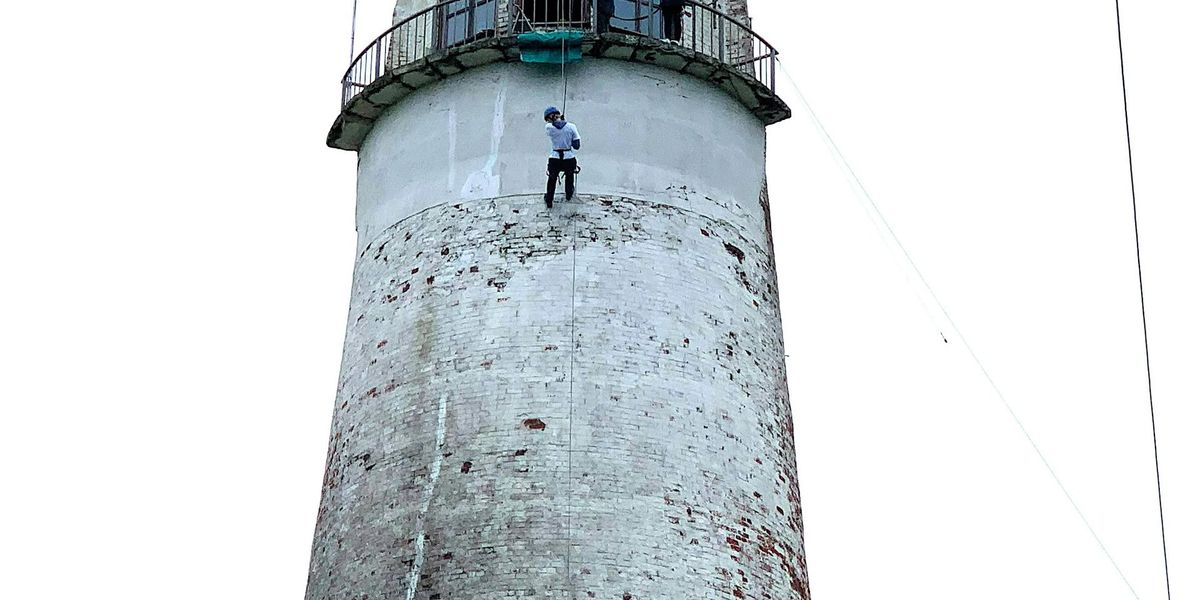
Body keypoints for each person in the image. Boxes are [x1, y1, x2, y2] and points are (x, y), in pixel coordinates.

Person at [542, 107, 581, 208]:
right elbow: (577, 146)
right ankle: (568, 194)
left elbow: (556, 126)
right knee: (569, 176)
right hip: (568, 157)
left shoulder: (548, 128)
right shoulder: (572, 127)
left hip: (554, 158)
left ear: (549, 119)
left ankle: (549, 199)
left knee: (552, 179)